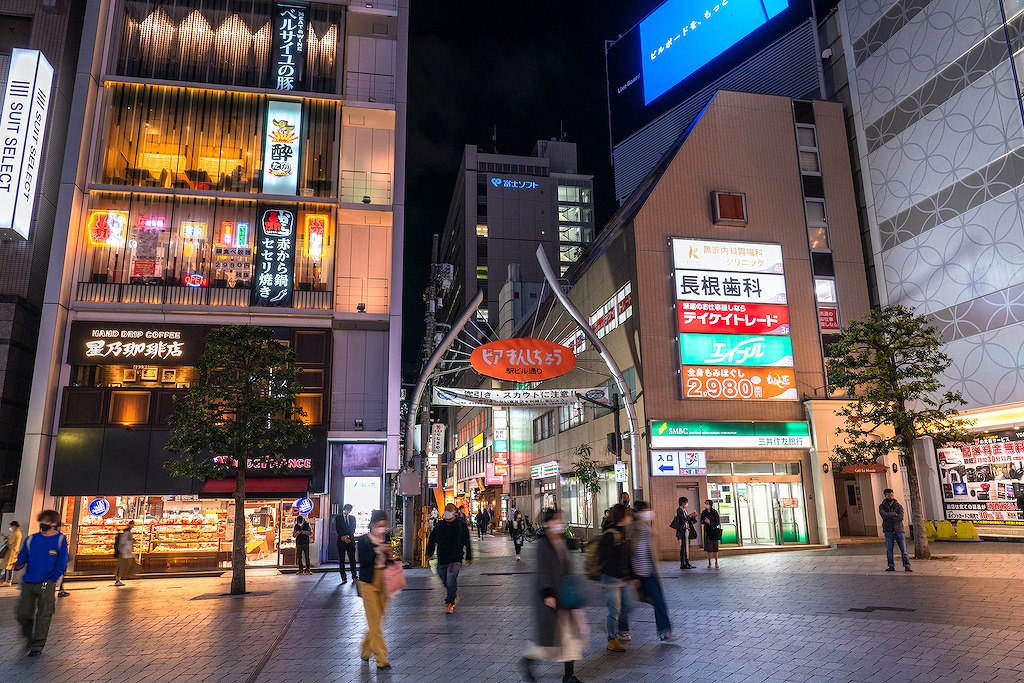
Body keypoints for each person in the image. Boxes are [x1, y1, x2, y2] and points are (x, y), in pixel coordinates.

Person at [520, 509, 587, 683]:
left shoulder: (560, 540)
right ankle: (527, 661)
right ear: (547, 523)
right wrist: (548, 594)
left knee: (569, 637)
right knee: (549, 642)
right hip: (550, 597)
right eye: (556, 520)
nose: (559, 523)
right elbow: (543, 571)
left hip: (564, 595)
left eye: (560, 520)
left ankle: (569, 676)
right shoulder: (543, 544)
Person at [13, 509, 69, 656]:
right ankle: (28, 637)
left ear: (54, 523)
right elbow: (23, 557)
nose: (44, 523)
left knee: (44, 614)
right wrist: (19, 564)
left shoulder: (60, 540)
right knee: (22, 613)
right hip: (29, 581)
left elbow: (62, 561)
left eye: (48, 521)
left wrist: (53, 580)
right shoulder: (31, 539)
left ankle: (37, 646)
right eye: (42, 520)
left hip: (47, 582)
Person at [632, 502, 676, 641]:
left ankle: (665, 631)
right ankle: (614, 627)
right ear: (638, 513)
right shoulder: (632, 530)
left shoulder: (649, 530)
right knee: (626, 604)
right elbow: (630, 553)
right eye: (645, 510)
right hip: (637, 575)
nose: (648, 513)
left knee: (659, 601)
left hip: (650, 574)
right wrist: (632, 576)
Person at [357, 510, 393, 670]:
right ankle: (381, 658)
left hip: (384, 580)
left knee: (378, 619)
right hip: (368, 582)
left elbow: (390, 562)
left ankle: (365, 649)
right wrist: (376, 551)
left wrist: (390, 556)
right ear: (372, 524)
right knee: (374, 620)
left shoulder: (386, 538)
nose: (382, 528)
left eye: (384, 525)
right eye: (379, 525)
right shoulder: (364, 540)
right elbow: (363, 561)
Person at [598, 503, 633, 652]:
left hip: (621, 578)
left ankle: (611, 627)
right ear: (622, 517)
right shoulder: (610, 535)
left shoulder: (624, 532)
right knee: (614, 611)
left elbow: (626, 557)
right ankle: (612, 639)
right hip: (611, 578)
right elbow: (605, 558)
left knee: (627, 606)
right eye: (627, 514)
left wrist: (629, 575)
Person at [426, 503, 473, 613]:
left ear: (454, 512)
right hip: (442, 558)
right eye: (446, 510)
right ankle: (453, 595)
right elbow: (432, 539)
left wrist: (469, 556)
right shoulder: (439, 525)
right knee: (444, 577)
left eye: (449, 511)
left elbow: (467, 541)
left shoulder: (461, 525)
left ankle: (449, 602)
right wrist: (429, 552)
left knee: (451, 577)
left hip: (456, 558)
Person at [879, 488, 912, 572]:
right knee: (889, 549)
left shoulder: (898, 506)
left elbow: (900, 517)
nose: (891, 496)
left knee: (904, 549)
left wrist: (889, 517)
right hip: (888, 530)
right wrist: (894, 514)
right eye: (889, 495)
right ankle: (891, 566)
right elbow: (884, 515)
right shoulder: (882, 506)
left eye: (892, 494)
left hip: (899, 530)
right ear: (885, 496)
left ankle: (907, 566)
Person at [336, 504, 358, 583]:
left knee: (352, 559)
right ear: (344, 509)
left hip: (350, 540)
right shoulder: (338, 518)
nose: (348, 511)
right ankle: (343, 577)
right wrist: (343, 537)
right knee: (341, 560)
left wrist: (347, 537)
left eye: (350, 510)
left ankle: (354, 576)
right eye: (347, 509)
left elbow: (353, 528)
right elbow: (338, 529)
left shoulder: (352, 518)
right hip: (341, 541)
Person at [675, 497, 697, 570]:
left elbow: (687, 519)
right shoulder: (679, 510)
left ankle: (687, 562)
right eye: (686, 502)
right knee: (683, 546)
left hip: (687, 530)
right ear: (683, 503)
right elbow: (684, 519)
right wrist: (690, 515)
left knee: (687, 546)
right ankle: (683, 563)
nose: (687, 504)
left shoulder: (685, 510)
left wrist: (692, 516)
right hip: (682, 530)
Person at [700, 499, 721, 569]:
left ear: (711, 505)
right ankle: (709, 562)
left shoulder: (714, 512)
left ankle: (716, 562)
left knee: (715, 547)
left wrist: (710, 523)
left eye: (707, 504)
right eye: (705, 504)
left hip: (714, 531)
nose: (706, 505)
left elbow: (717, 522)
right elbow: (701, 521)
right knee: (708, 548)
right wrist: (704, 521)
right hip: (707, 531)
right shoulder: (704, 512)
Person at [113, 520, 135, 586]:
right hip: (123, 552)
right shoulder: (126, 533)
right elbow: (124, 542)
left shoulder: (127, 533)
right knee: (121, 566)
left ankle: (119, 579)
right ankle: (117, 580)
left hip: (125, 552)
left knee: (123, 565)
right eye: (132, 525)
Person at [2, 521, 22, 586]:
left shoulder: (15, 533)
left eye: (11, 526)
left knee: (8, 566)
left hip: (11, 551)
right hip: (15, 551)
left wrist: (6, 538)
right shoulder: (19, 533)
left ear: (14, 526)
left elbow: (10, 542)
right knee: (10, 566)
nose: (11, 527)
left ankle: (8, 580)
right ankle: (8, 580)